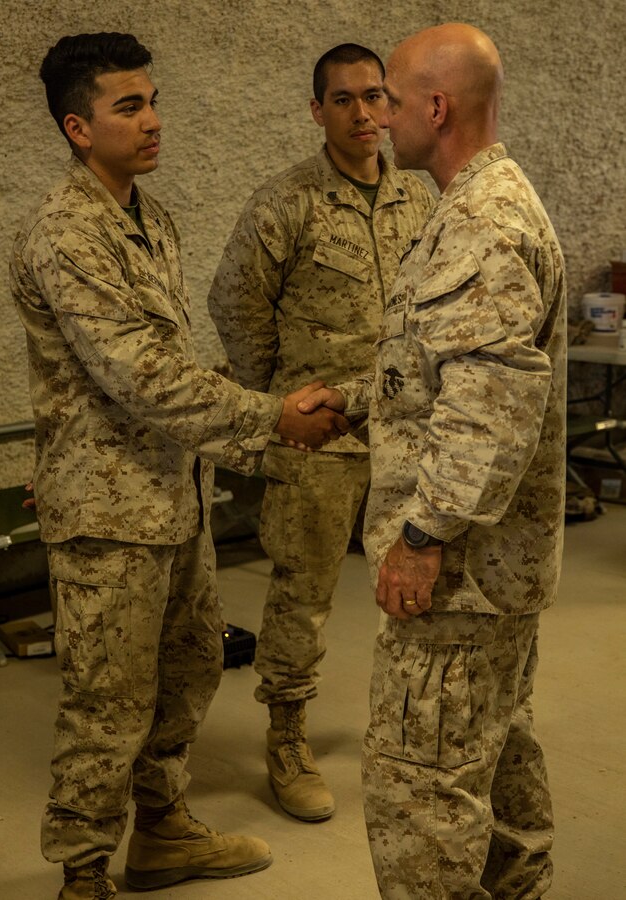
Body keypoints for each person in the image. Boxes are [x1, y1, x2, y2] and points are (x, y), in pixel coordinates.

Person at [9, 32, 348, 900]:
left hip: (172, 494)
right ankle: (83, 875)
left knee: (189, 669)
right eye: (129, 107)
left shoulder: (148, 217)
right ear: (79, 127)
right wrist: (271, 418)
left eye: (153, 101)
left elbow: (171, 365)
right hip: (108, 515)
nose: (154, 120)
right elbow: (140, 375)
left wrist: (261, 412)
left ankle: (161, 832)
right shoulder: (65, 232)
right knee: (107, 702)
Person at [298, 23, 567, 899]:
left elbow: (488, 408)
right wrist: (355, 399)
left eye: (390, 99)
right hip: (495, 571)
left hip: (460, 576)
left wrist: (422, 536)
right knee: (494, 747)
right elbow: (444, 370)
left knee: (422, 785)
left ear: (437, 108)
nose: (378, 117)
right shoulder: (475, 206)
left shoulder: (481, 226)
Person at [207, 43, 434, 822]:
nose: (362, 113)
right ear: (317, 110)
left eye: (374, 96)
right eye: (343, 99)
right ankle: (286, 737)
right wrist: (280, 404)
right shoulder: (287, 202)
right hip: (320, 440)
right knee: (302, 594)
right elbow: (234, 302)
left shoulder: (417, 199)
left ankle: (408, 726)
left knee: (416, 585)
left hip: (404, 433)